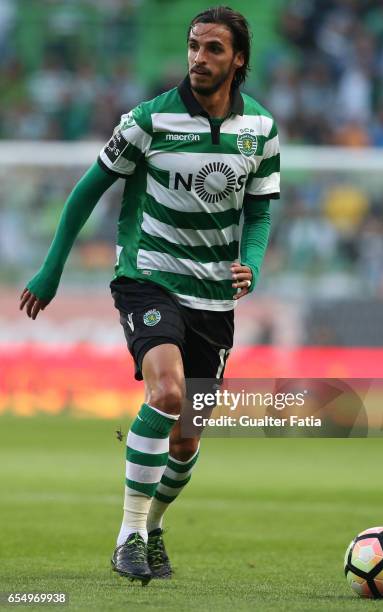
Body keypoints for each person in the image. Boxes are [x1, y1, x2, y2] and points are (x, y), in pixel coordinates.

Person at [19, 6, 280, 585]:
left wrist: (251, 265)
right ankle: (127, 537)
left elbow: (259, 209)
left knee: (186, 439)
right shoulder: (147, 120)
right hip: (149, 277)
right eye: (193, 46)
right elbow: (87, 192)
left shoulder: (260, 129)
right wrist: (51, 269)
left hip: (214, 297)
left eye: (214, 49)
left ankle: (153, 527)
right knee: (166, 393)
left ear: (238, 59)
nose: (199, 58)